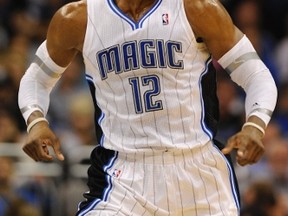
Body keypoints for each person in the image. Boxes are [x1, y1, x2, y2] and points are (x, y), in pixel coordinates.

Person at [18, 0, 277, 215]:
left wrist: (254, 126)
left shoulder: (196, 9)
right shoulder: (78, 18)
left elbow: (256, 74)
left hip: (199, 174)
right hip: (122, 177)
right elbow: (37, 78)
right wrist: (36, 121)